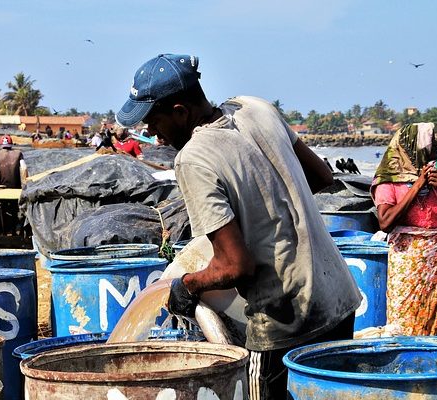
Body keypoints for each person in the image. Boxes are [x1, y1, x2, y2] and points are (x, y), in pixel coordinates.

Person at [116, 53, 361, 400]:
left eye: (153, 122)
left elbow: (236, 266)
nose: (152, 136)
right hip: (337, 298)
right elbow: (320, 176)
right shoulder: (255, 107)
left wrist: (187, 284)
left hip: (286, 322)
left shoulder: (194, 158)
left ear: (180, 112)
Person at [371, 122, 437, 336]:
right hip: (407, 265)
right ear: (414, 148)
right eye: (431, 143)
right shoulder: (389, 182)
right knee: (406, 321)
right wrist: (418, 186)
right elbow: (385, 222)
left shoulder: (436, 178)